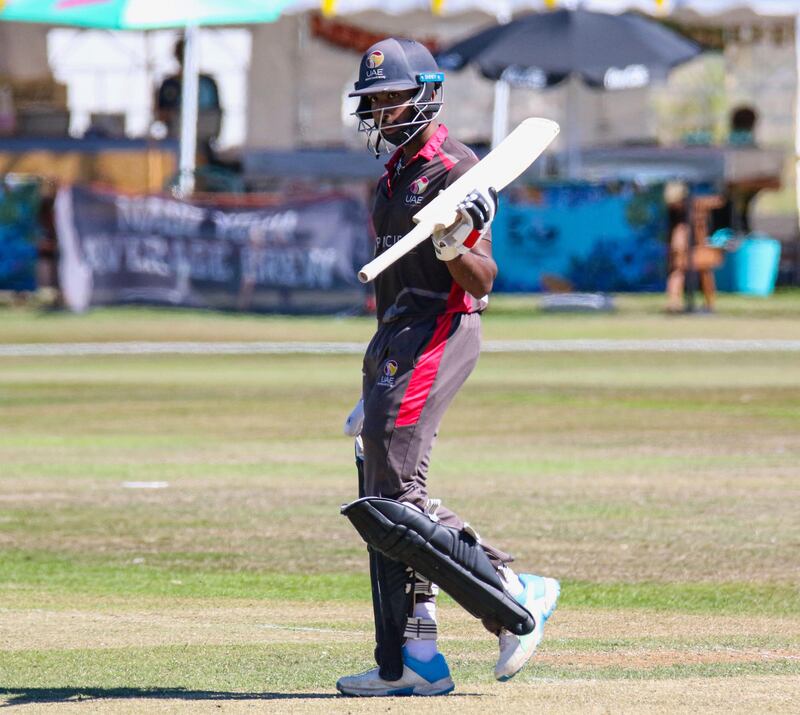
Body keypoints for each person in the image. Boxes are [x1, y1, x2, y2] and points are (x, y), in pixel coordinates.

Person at [336, 37, 560, 698]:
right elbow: (391, 289)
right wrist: (373, 386)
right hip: (395, 341)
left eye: (392, 97)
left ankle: (514, 597)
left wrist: (455, 241)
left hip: (440, 330)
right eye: (372, 101)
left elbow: (483, 278)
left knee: (395, 500)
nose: (381, 110)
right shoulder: (394, 177)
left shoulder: (457, 169)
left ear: (427, 94)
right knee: (385, 498)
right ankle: (417, 658)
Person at [155, 37, 222, 161]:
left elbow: (217, 116)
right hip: (179, 143)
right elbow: (161, 116)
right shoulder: (170, 84)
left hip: (199, 144)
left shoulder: (207, 82)